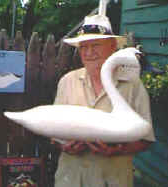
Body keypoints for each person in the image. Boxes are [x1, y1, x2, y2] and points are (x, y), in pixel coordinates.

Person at [52, 14, 156, 187]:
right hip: (70, 180)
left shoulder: (133, 86)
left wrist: (118, 150)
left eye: (96, 45)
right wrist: (63, 146)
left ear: (113, 47)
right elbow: (53, 132)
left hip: (113, 181)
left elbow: (146, 139)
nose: (89, 53)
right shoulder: (67, 81)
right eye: (83, 47)